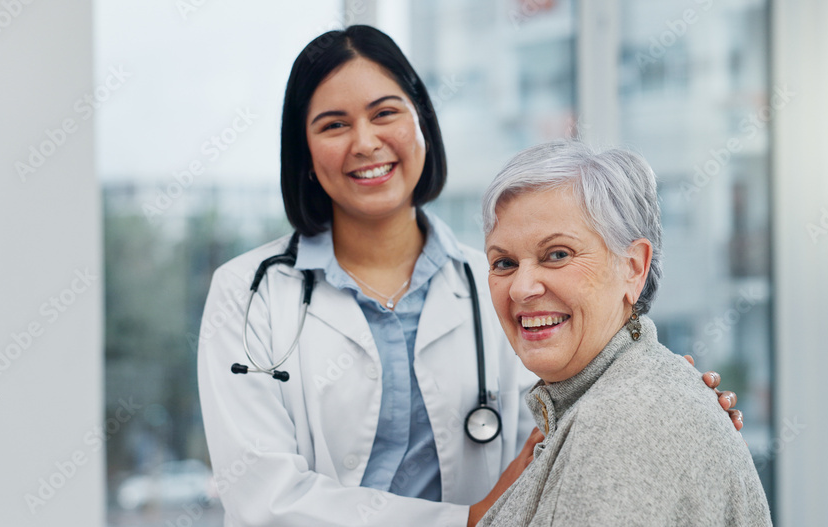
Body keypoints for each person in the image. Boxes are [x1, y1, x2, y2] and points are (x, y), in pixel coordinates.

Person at [196, 25, 742, 527]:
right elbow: (261, 498)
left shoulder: (499, 280)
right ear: (306, 153)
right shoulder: (249, 293)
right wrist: (464, 520)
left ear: (422, 126)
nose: (363, 142)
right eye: (334, 125)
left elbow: (570, 403)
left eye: (385, 113)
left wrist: (662, 396)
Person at [476, 140, 772, 526]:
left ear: (633, 268)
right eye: (504, 262)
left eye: (558, 254)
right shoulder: (621, 396)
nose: (521, 288)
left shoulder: (625, 425)